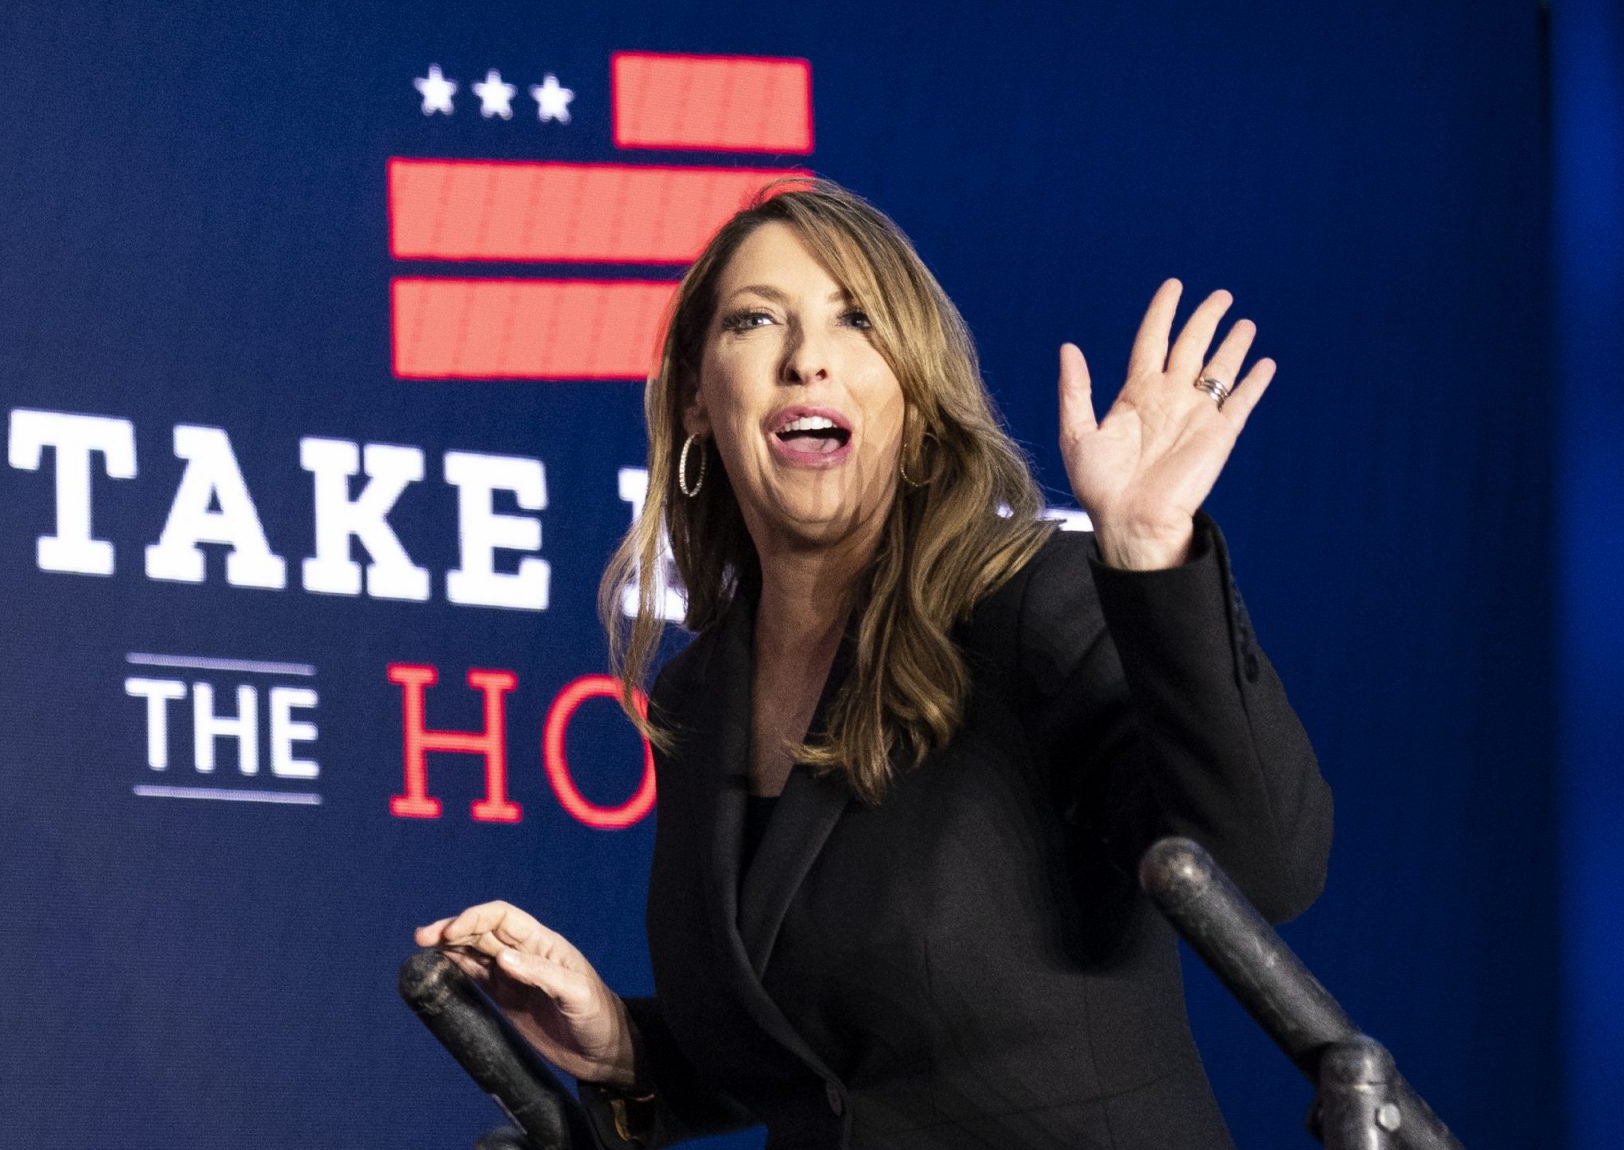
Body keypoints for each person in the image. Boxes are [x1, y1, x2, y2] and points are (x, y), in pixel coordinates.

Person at [413, 178, 1333, 1149]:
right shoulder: (699, 693)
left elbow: (1260, 868)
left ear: (913, 387)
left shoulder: (1029, 602)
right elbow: (829, 1061)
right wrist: (619, 1041)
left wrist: (1151, 555)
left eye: (856, 320)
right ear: (694, 396)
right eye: (755, 320)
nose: (806, 359)